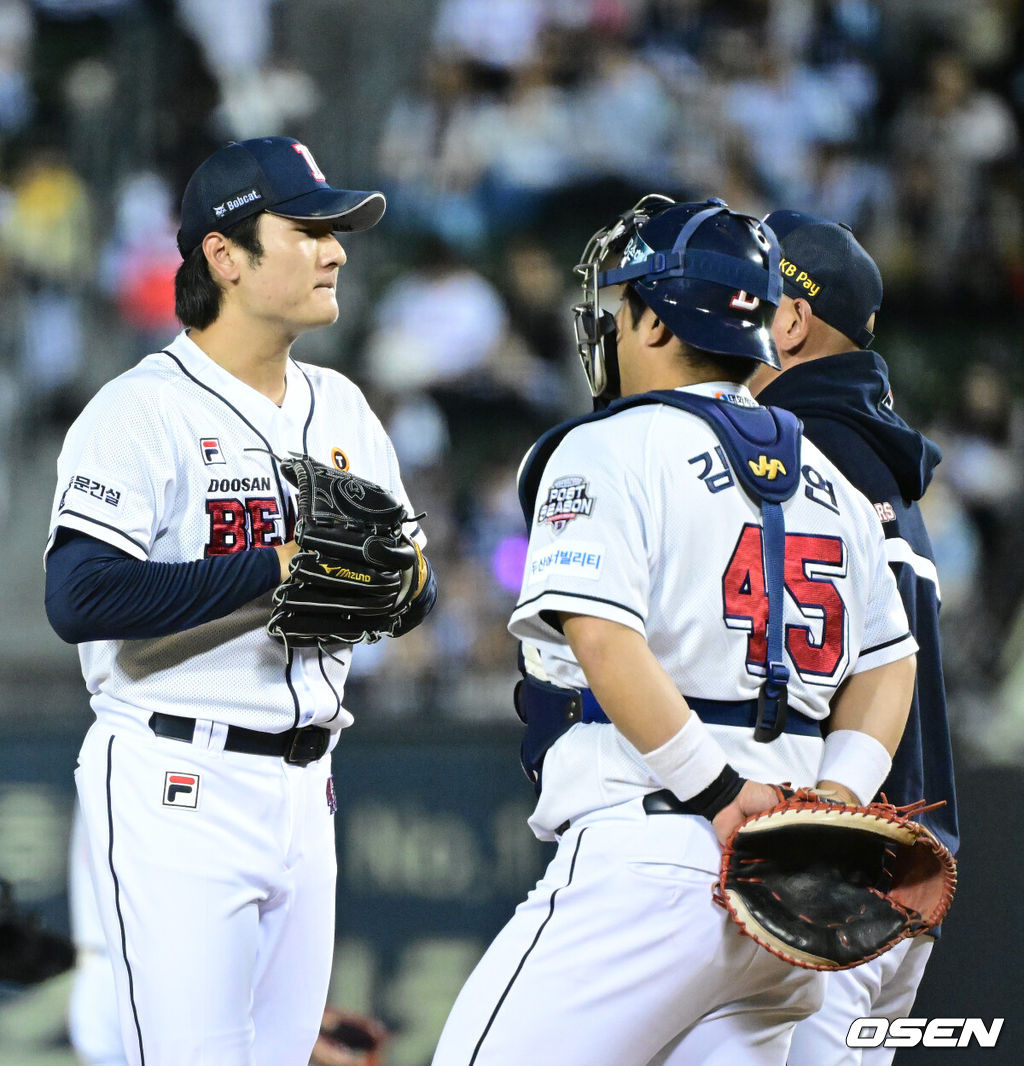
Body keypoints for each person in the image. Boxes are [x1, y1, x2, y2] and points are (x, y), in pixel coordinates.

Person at [430, 195, 919, 1066]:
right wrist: (838, 798)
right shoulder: (827, 474)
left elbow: (605, 643)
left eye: (622, 308)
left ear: (655, 319)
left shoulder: (606, 448)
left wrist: (721, 795)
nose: (613, 326)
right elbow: (891, 663)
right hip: (785, 895)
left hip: (660, 852)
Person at [44, 136, 436, 1066]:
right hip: (178, 775)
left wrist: (396, 589)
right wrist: (283, 563)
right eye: (306, 228)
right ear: (224, 256)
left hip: (309, 785)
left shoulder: (342, 407)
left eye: (335, 230)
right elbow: (78, 595)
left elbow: (407, 579)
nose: (335, 249)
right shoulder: (142, 410)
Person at [749, 210, 959, 1066]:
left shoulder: (800, 454)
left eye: (743, 296)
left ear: (791, 322)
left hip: (834, 856)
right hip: (913, 853)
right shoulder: (876, 454)